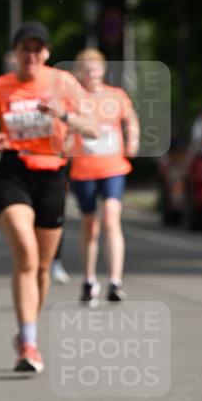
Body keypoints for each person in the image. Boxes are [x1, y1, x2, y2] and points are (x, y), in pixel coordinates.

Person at [0, 22, 97, 374]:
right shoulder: (0, 85)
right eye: (25, 48)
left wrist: (61, 114)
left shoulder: (63, 83)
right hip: (13, 171)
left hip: (52, 174)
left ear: (46, 53)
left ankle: (26, 330)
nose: (31, 55)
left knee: (43, 267)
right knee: (27, 253)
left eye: (37, 49)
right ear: (15, 52)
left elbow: (92, 127)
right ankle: (29, 345)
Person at [69, 49, 140, 305]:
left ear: (103, 70)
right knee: (90, 225)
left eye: (95, 68)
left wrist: (133, 140)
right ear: (80, 72)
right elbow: (66, 126)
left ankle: (115, 281)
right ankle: (89, 280)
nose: (92, 73)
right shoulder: (75, 98)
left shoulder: (116, 95)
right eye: (86, 69)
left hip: (113, 167)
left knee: (111, 217)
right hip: (84, 168)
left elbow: (130, 119)